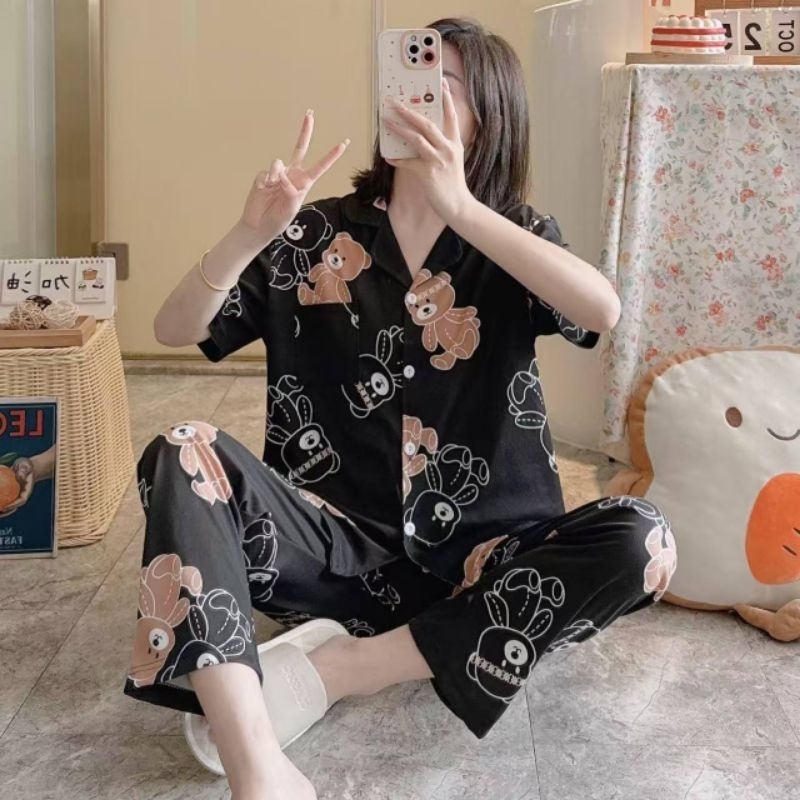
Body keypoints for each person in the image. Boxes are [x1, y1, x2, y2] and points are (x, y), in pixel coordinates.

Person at [123, 18, 677, 800]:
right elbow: (173, 329)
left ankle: (344, 670)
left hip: (491, 565)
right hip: (332, 556)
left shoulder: (515, 235)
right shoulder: (314, 233)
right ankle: (254, 763)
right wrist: (249, 234)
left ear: (487, 117)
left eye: (443, 86)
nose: (416, 99)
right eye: (408, 81)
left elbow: (602, 311)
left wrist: (464, 209)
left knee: (644, 541)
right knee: (181, 448)